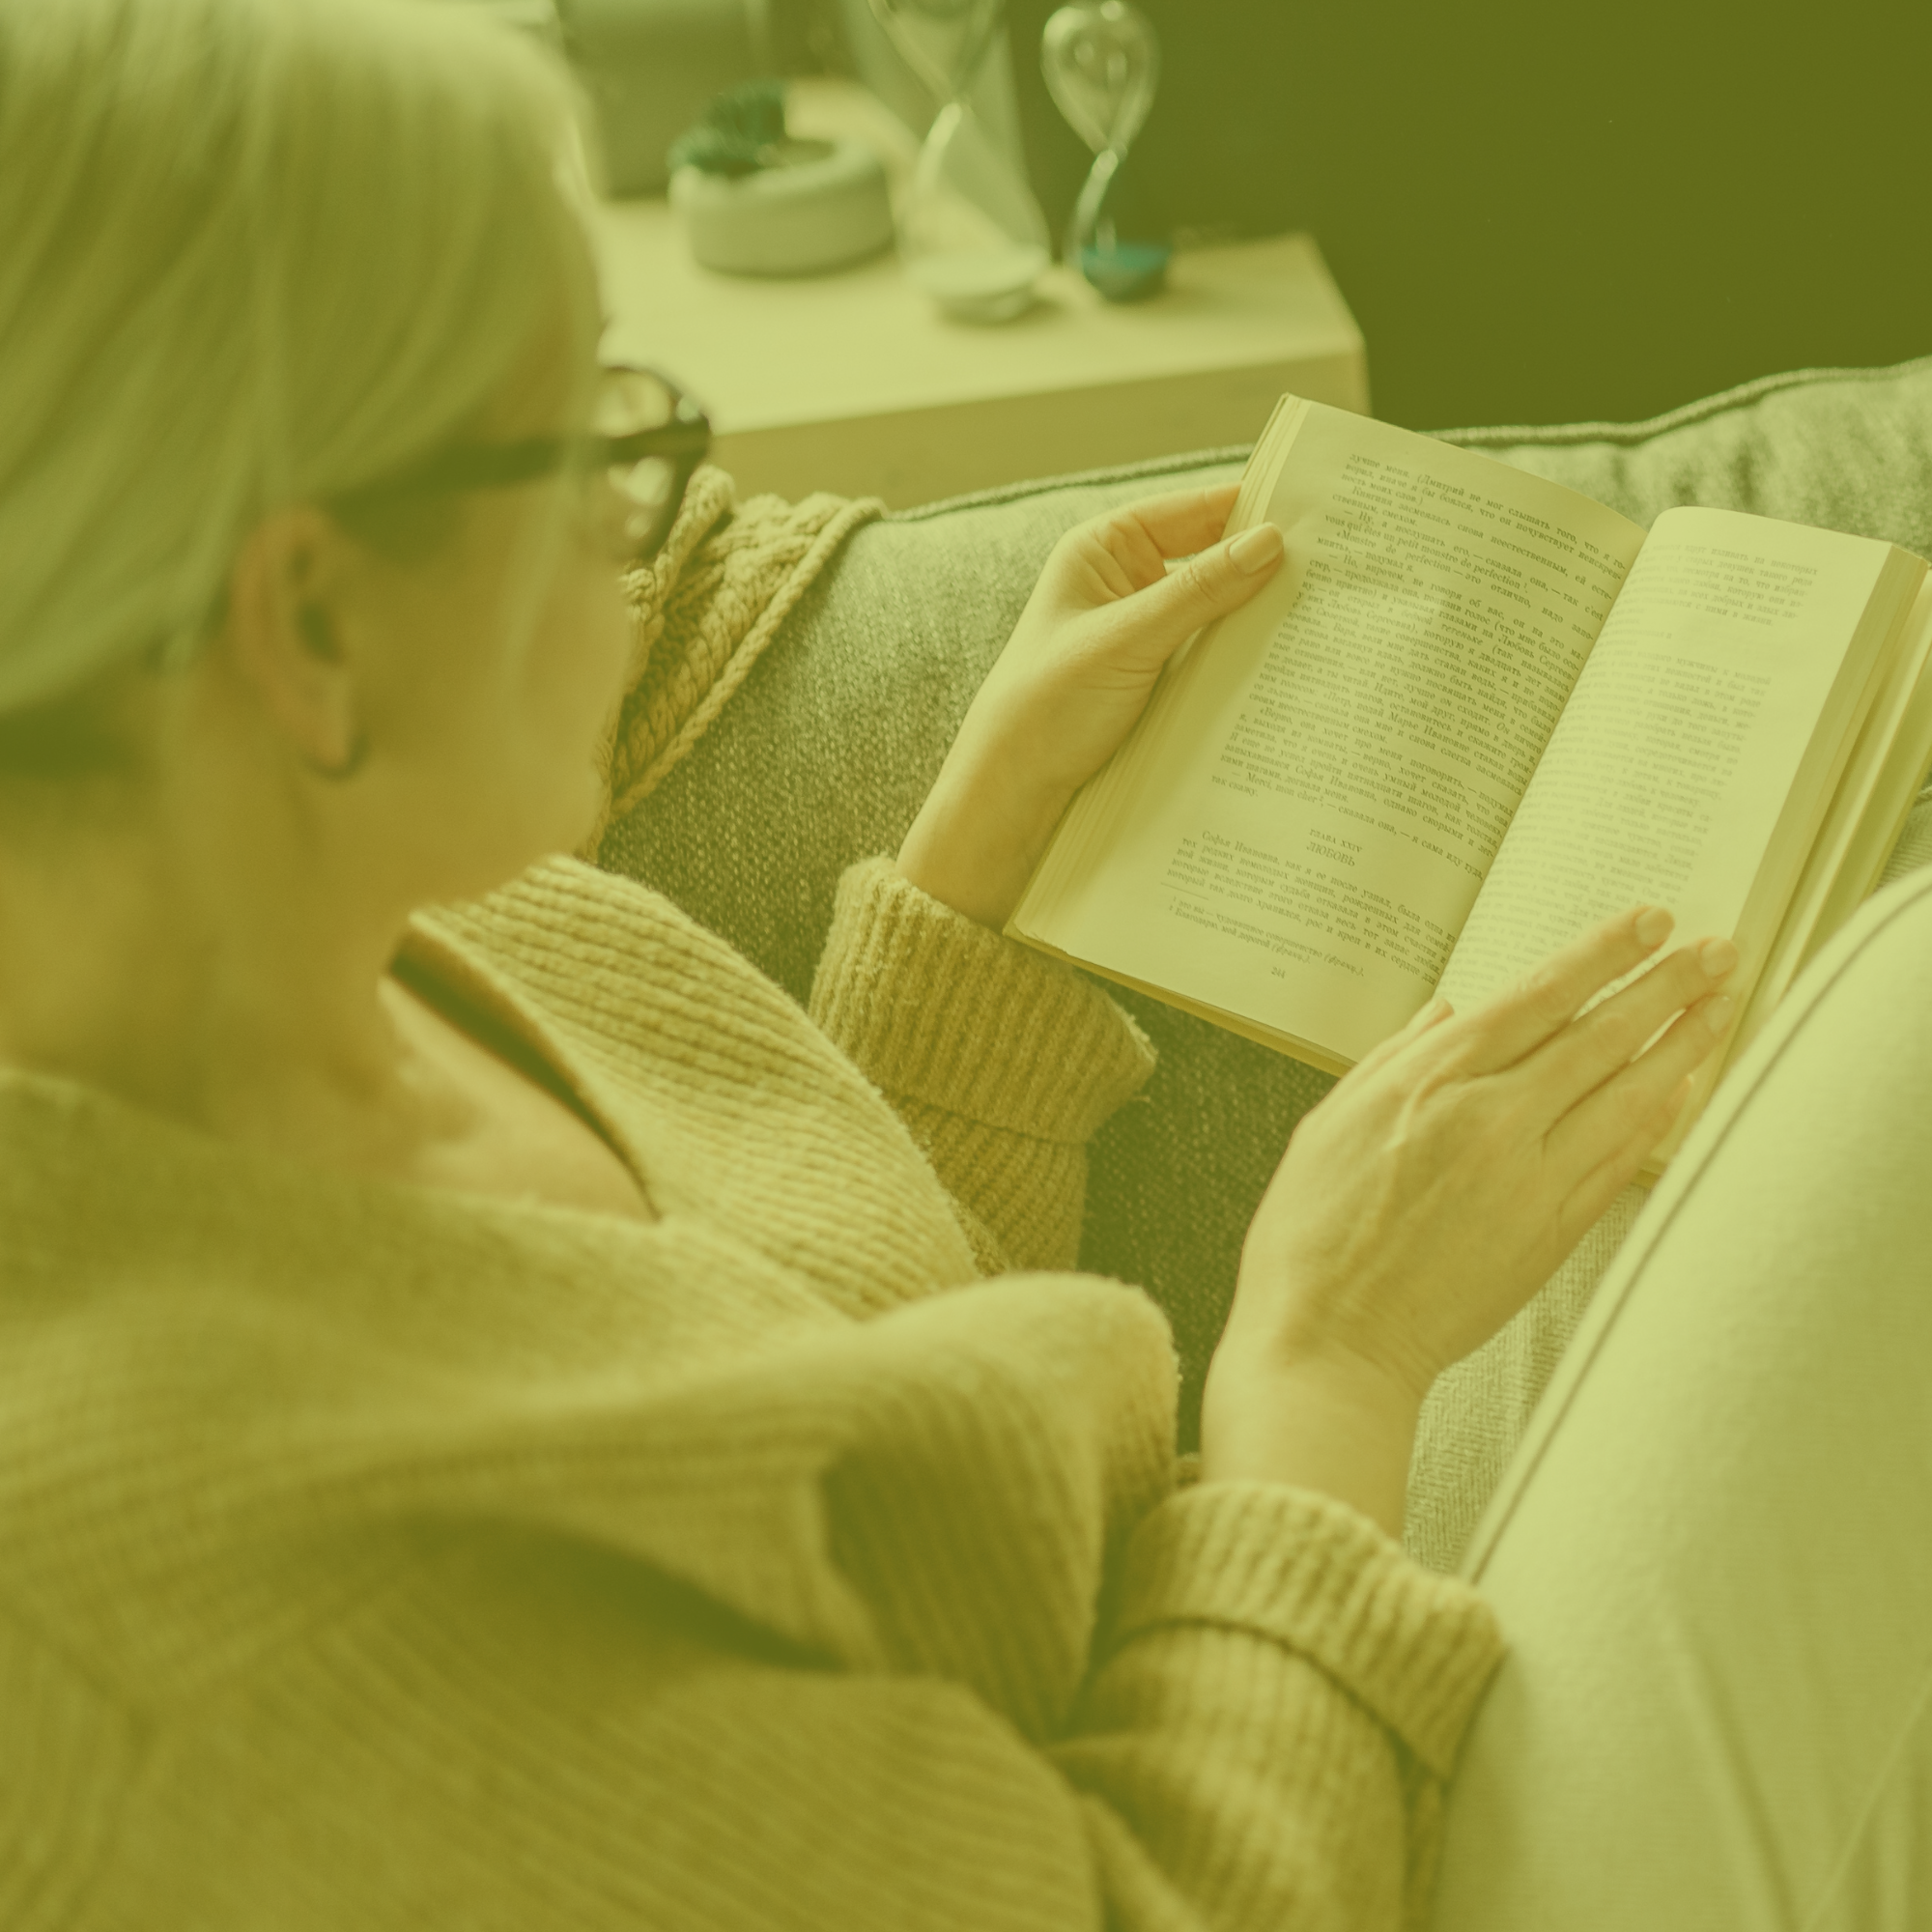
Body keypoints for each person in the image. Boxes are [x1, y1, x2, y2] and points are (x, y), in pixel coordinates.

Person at [4, 1, 1926, 1926]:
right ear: (312, 630)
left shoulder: (402, 924)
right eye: (581, 439)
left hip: (1210, 1610)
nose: (644, 511)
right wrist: (1321, 1359)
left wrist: (983, 862)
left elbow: (853, 1429)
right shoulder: (229, 1641)